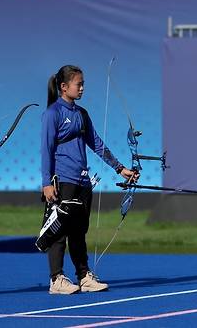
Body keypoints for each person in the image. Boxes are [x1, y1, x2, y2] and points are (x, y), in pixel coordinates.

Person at [41, 65, 137, 294]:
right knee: (58, 231)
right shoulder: (52, 114)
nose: (82, 88)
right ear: (64, 87)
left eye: (83, 83)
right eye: (78, 84)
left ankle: (83, 276)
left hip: (82, 182)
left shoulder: (82, 114)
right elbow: (46, 149)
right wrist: (46, 183)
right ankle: (57, 279)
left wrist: (119, 168)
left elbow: (96, 144)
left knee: (78, 231)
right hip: (61, 181)